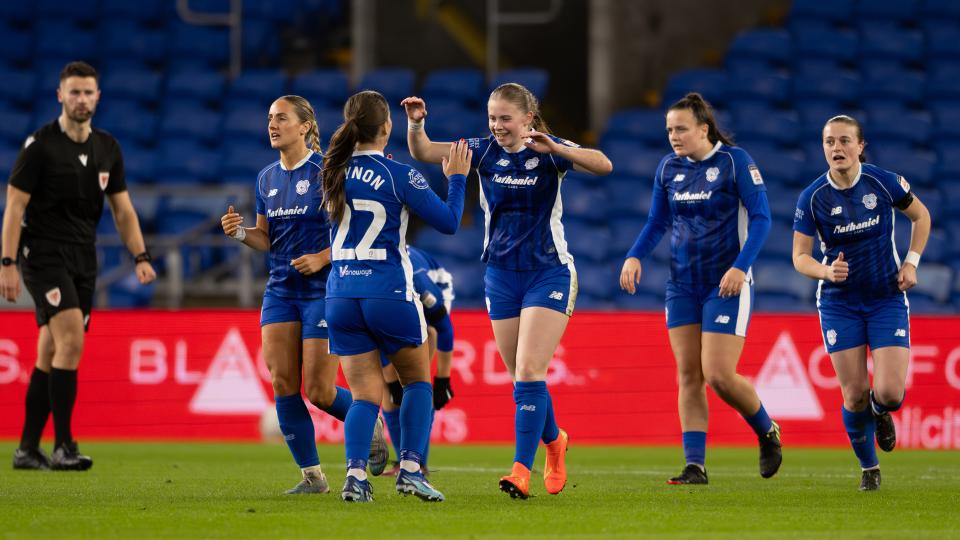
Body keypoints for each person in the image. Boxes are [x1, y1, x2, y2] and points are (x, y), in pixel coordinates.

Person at [403, 83, 613, 499]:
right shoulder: (482, 151)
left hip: (548, 273)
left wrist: (559, 150)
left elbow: (604, 165)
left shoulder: (548, 150)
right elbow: (424, 151)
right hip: (500, 277)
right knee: (522, 377)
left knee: (531, 372)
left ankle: (520, 469)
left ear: (527, 120)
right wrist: (415, 124)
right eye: (492, 118)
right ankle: (554, 442)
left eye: (505, 118)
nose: (497, 126)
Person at [219, 95, 387, 495]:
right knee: (281, 382)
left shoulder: (329, 172)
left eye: (281, 118)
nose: (272, 125)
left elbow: (357, 232)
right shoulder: (266, 179)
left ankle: (370, 420)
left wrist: (323, 257)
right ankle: (313, 477)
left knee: (319, 390)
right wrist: (241, 232)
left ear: (306, 126)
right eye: (269, 118)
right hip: (280, 291)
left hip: (323, 292)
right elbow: (266, 237)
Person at [619, 92, 781, 485]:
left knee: (719, 374)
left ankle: (766, 430)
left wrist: (740, 268)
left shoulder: (734, 161)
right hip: (682, 286)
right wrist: (634, 255)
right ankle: (696, 465)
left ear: (703, 129)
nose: (674, 136)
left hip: (726, 283)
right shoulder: (668, 168)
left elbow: (761, 220)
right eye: (669, 130)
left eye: (681, 129)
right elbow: (657, 222)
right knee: (688, 375)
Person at [2, 61, 156, 471]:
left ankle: (26, 448)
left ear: (98, 97)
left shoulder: (108, 148)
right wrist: (7, 262)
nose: (81, 99)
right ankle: (64, 446)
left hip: (83, 257)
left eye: (88, 92)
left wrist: (139, 255)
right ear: (60, 95)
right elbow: (15, 206)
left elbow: (123, 210)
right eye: (74, 92)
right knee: (70, 340)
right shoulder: (40, 146)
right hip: (44, 255)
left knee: (49, 349)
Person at [321, 90, 470, 503]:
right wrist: (456, 177)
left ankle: (354, 477)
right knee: (417, 381)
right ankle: (410, 470)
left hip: (341, 295)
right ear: (387, 127)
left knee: (366, 395)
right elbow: (449, 222)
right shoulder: (398, 174)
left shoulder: (331, 171)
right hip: (388, 292)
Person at [792, 115, 930, 491]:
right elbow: (800, 257)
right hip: (839, 303)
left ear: (860, 146)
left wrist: (911, 263)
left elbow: (921, 216)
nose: (836, 148)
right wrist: (824, 272)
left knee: (888, 393)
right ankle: (869, 468)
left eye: (844, 141)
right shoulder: (813, 197)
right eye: (829, 142)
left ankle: (881, 413)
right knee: (853, 394)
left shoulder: (882, 182)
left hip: (886, 297)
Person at [379, 244, 457, 475]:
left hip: (435, 292)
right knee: (389, 394)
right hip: (389, 303)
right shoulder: (375, 283)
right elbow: (378, 337)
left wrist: (443, 380)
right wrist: (391, 383)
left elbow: (443, 329)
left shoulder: (419, 283)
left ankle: (419, 463)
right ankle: (406, 461)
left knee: (417, 380)